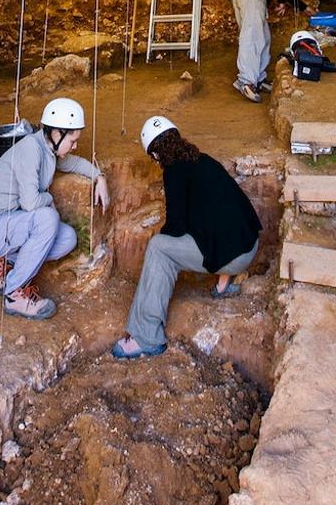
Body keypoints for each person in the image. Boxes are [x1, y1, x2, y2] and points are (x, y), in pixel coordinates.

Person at [112, 116, 262, 359]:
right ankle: (224, 284)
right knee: (214, 221)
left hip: (233, 257)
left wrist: (162, 239)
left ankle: (146, 337)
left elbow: (177, 226)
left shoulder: (174, 172)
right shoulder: (203, 160)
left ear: (156, 155)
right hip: (249, 245)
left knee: (159, 248)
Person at [0, 97, 109, 321]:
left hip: (9, 227)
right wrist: (49, 197)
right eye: (72, 140)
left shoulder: (48, 151)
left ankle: (3, 261)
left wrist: (99, 177)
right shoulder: (31, 149)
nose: (75, 146)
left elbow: (73, 163)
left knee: (67, 238)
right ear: (56, 133)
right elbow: (31, 203)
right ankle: (14, 293)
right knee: (47, 218)